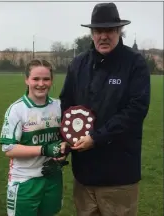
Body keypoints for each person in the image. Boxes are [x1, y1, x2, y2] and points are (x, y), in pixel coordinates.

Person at [59, 2, 150, 216]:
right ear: (92, 33)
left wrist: (97, 138)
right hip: (84, 175)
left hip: (119, 177)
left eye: (109, 30)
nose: (103, 36)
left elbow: (135, 110)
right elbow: (66, 104)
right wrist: (64, 136)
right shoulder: (78, 64)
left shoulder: (135, 63)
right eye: (98, 30)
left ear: (119, 31)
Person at [0, 59, 68, 216]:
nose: (41, 84)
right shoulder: (17, 110)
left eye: (46, 79)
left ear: (52, 80)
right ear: (26, 80)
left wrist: (62, 153)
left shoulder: (58, 106)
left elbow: (64, 139)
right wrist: (45, 149)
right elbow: (9, 149)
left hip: (52, 178)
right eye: (36, 79)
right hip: (25, 181)